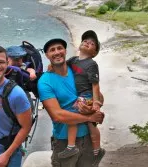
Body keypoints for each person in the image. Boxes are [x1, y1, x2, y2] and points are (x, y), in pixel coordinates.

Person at [38, 38, 105, 167]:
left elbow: (99, 97)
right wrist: (90, 116)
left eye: (59, 48)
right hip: (64, 141)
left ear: (65, 51)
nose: (57, 52)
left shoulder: (77, 69)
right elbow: (57, 116)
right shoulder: (45, 81)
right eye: (52, 50)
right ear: (47, 55)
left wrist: (92, 105)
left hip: (88, 139)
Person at [58, 30, 105, 166]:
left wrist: (96, 102)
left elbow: (95, 84)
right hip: (76, 94)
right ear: (79, 45)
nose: (87, 43)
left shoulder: (91, 64)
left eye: (91, 44)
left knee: (76, 115)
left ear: (94, 52)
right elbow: (61, 66)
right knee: (90, 123)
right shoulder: (73, 60)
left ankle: (73, 147)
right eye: (85, 41)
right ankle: (97, 150)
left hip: (86, 95)